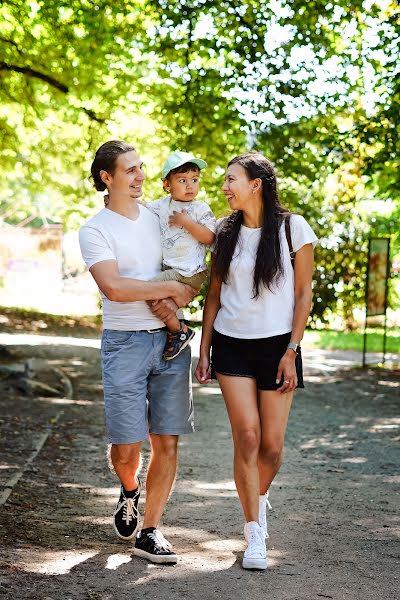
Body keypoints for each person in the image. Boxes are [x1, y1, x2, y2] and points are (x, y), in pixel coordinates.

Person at [195, 152, 318, 570]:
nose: (225, 187)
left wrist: (291, 351)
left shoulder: (291, 228)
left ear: (256, 184)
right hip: (232, 345)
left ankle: (258, 497)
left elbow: (303, 295)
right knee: (247, 438)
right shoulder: (223, 232)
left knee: (272, 446)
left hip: (278, 348)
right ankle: (253, 532)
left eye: (232, 179)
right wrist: (204, 347)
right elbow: (214, 295)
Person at [79, 140, 196, 564]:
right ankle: (129, 489)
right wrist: (168, 289)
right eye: (130, 170)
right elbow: (114, 287)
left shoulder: (158, 216)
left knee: (167, 439)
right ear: (106, 178)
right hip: (124, 344)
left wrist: (187, 288)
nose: (141, 175)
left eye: (141, 168)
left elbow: (193, 260)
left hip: (169, 344)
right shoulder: (95, 229)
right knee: (128, 447)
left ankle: (151, 529)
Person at [145, 150, 216, 360]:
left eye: (194, 180)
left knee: (148, 289)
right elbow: (141, 209)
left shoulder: (200, 208)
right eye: (182, 180)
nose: (190, 186)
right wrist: (116, 201)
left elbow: (210, 237)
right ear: (167, 185)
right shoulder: (162, 205)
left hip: (191, 271)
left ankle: (180, 331)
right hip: (173, 270)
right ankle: (176, 329)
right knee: (159, 300)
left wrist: (187, 223)